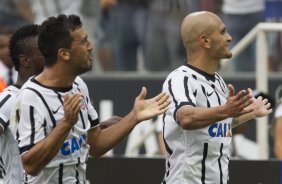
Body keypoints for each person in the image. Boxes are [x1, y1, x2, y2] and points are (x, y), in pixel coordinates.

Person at [10, 14, 170, 183]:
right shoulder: (30, 97)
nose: (91, 46)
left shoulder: (78, 85)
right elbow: (30, 165)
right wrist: (65, 124)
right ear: (64, 54)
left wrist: (134, 117)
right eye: (83, 42)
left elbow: (95, 145)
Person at [161, 11, 272, 184]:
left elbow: (218, 126)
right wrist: (226, 110)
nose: (229, 38)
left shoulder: (219, 81)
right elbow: (186, 117)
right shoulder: (180, 79)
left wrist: (250, 113)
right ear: (205, 41)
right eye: (222, 32)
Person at [0, 24, 45, 183]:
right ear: (25, 60)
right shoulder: (9, 99)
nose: (50, 55)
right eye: (43, 52)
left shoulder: (48, 97)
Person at [222, 0, 265, 72]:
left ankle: (243, 79)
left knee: (238, 48)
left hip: (234, 9)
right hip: (254, 8)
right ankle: (257, 78)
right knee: (254, 46)